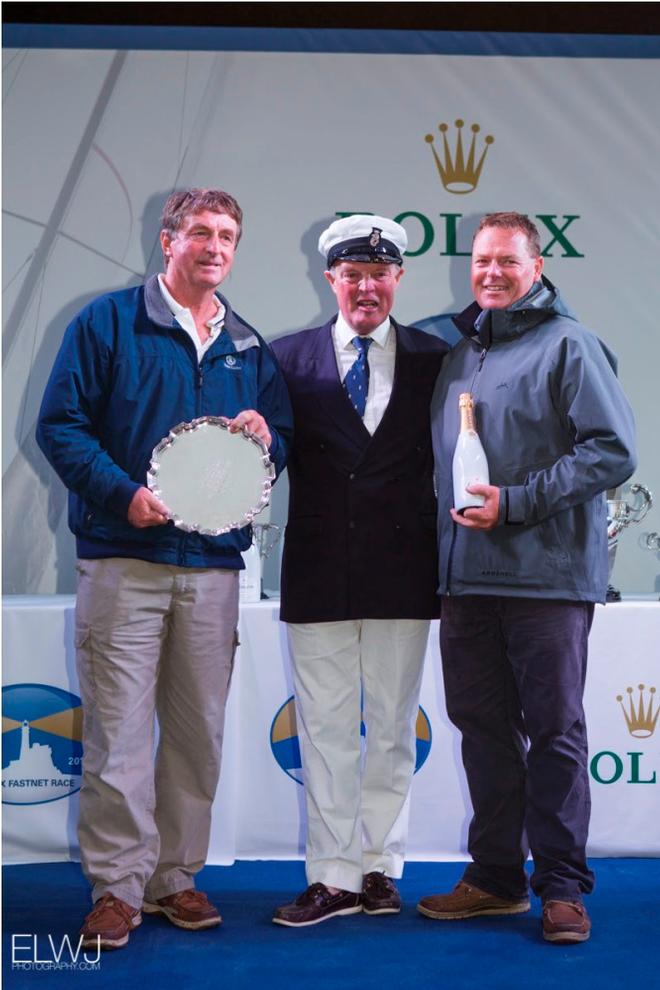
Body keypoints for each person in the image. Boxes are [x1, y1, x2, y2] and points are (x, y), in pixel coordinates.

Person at [36, 188, 293, 949]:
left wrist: (265, 432)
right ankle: (116, 888)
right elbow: (61, 426)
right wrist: (123, 497)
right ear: (168, 239)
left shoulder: (246, 345)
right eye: (203, 233)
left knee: (195, 735)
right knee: (118, 735)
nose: (216, 247)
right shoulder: (108, 322)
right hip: (125, 560)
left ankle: (173, 878)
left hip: (214, 571)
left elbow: (278, 443)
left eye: (230, 236)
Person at [418, 212, 636, 944]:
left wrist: (515, 504)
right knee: (481, 730)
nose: (491, 274)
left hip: (546, 577)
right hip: (467, 582)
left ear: (536, 268)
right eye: (481, 261)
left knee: (554, 733)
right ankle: (495, 878)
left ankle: (564, 888)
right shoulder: (457, 352)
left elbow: (611, 451)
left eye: (507, 262)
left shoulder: (570, 344)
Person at [270, 215, 448, 926]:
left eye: (380, 274)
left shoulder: (438, 357)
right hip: (317, 568)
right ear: (331, 279)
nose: (366, 286)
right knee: (326, 730)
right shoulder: (286, 359)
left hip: (404, 569)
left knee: (395, 728)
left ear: (399, 279)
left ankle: (381, 866)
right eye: (353, 274)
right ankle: (333, 874)